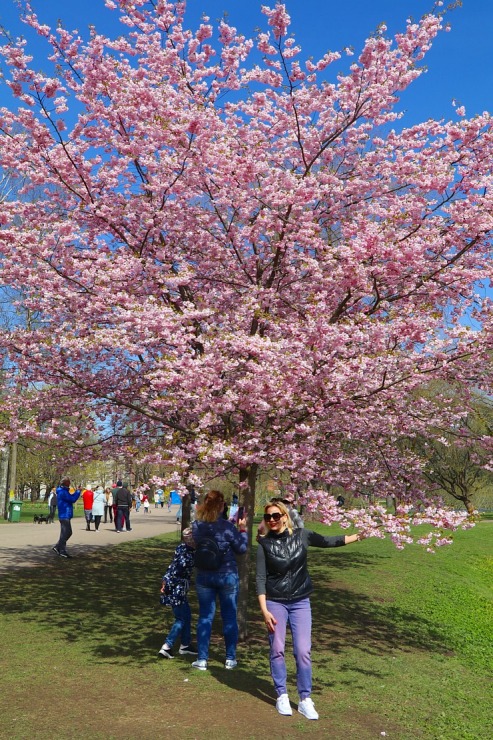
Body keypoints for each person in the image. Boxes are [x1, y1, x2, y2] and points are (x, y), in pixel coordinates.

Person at [256, 500, 363, 720]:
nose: (272, 520)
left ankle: (305, 698)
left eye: (276, 516)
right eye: (268, 517)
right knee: (277, 649)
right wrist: (264, 610)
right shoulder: (264, 545)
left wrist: (360, 535)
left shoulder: (302, 535)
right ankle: (282, 695)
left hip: (300, 602)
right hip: (275, 602)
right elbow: (260, 579)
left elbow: (329, 541)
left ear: (285, 516)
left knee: (303, 651)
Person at [191, 489, 248, 671]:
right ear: (222, 506)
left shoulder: (197, 526)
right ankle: (230, 658)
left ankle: (202, 659)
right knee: (229, 616)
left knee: (205, 617)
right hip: (227, 575)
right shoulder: (227, 527)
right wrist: (243, 529)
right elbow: (241, 548)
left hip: (205, 575)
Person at [158, 527, 198, 660]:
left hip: (174, 586)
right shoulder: (188, 555)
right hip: (177, 588)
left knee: (186, 614)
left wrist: (165, 580)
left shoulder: (181, 548)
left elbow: (171, 567)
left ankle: (185, 644)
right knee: (180, 619)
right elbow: (178, 569)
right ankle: (167, 646)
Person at [52, 477, 81, 558]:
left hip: (66, 514)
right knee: (66, 533)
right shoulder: (62, 492)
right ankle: (61, 550)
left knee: (66, 533)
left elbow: (71, 497)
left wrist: (76, 491)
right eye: (68, 482)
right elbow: (72, 499)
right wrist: (78, 491)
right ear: (64, 483)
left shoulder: (64, 491)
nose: (70, 483)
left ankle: (58, 547)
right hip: (64, 514)